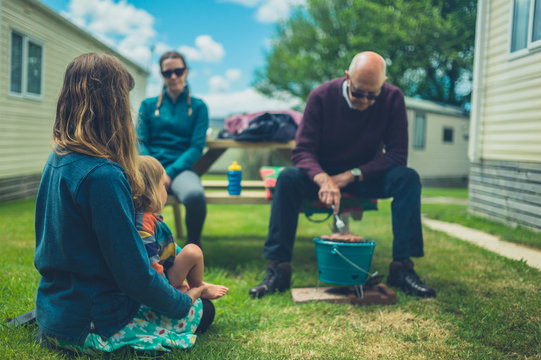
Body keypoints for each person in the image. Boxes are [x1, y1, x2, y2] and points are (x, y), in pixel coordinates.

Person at [34, 53, 215, 356]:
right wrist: (185, 300)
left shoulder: (59, 157)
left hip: (55, 310)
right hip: (91, 321)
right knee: (206, 311)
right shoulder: (104, 175)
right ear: (112, 104)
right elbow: (135, 277)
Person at [249, 51, 436, 299]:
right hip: (321, 177)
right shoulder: (321, 96)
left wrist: (351, 175)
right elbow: (303, 150)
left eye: (373, 95)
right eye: (359, 93)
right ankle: (278, 269)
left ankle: (402, 268)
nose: (366, 101)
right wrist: (323, 178)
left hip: (364, 177)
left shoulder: (393, 99)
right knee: (287, 179)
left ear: (384, 83)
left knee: (407, 178)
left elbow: (397, 155)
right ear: (347, 77)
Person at [137, 51, 209, 247]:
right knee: (127, 194)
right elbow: (140, 141)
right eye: (168, 73)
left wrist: (169, 173)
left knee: (195, 196)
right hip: (150, 168)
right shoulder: (148, 105)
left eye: (178, 71)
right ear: (162, 75)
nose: (174, 77)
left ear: (186, 71)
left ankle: (194, 247)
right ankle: (139, 247)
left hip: (181, 169)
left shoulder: (199, 107)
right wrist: (155, 170)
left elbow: (196, 147)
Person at [134, 155, 228, 299]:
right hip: (159, 282)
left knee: (188, 253)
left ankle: (194, 286)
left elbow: (171, 248)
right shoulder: (143, 223)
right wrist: (165, 289)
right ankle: (198, 288)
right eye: (163, 186)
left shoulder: (149, 216)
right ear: (152, 191)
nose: (165, 190)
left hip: (164, 275)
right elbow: (150, 263)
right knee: (193, 251)